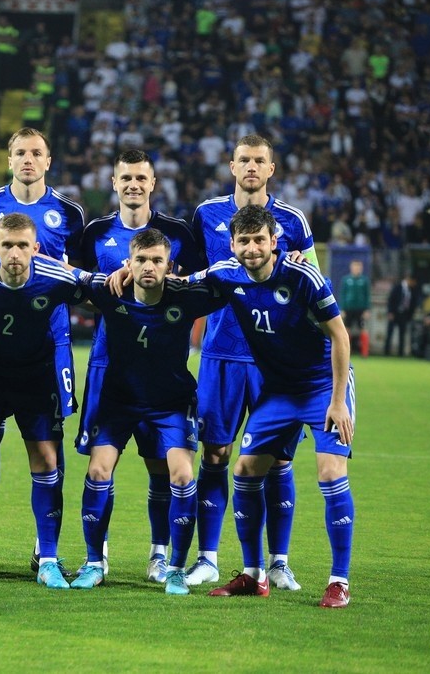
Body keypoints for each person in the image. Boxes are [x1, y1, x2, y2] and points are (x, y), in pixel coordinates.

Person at [194, 204, 355, 609]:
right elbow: (178, 283)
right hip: (280, 390)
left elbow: (340, 336)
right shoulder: (225, 274)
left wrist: (338, 402)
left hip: (321, 387)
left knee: (330, 470)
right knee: (245, 469)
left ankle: (339, 581)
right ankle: (253, 575)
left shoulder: (303, 276)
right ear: (231, 244)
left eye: (259, 240)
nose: (251, 248)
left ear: (274, 241)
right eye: (243, 241)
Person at [187, 134, 317, 591]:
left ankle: (279, 561)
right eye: (243, 160)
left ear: (271, 168)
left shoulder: (293, 220)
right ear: (231, 165)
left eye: (260, 160)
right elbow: (191, 277)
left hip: (275, 361)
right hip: (221, 353)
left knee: (278, 461)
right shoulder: (206, 214)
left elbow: (316, 284)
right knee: (216, 454)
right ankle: (207, 557)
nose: (251, 167)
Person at [71, 229, 224, 594]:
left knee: (184, 477)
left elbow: (233, 279)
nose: (148, 266)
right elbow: (63, 274)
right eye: (141, 259)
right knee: (97, 470)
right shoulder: (110, 291)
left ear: (169, 266)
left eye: (157, 260)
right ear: (129, 263)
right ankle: (94, 562)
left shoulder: (187, 296)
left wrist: (194, 277)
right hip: (119, 402)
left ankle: (174, 569)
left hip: (171, 404)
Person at [0, 212, 87, 589]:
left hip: (36, 379)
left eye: (23, 245)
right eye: (7, 245)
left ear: (35, 249)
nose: (15, 253)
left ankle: (49, 560)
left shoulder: (54, 276)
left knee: (47, 461)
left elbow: (97, 289)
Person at [76, 149, 202, 581]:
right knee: (97, 466)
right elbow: (69, 279)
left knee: (160, 467)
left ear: (152, 183)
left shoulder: (178, 233)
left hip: (164, 375)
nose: (133, 184)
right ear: (114, 182)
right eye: (125, 177)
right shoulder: (94, 233)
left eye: (140, 178)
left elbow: (206, 281)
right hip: (109, 367)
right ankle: (97, 557)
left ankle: (161, 555)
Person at [0, 127, 84, 574]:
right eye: (20, 153)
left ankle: (44, 546)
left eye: (37, 152)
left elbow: (78, 272)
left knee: (48, 446)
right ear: (9, 159)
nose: (28, 160)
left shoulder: (68, 213)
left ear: (48, 161)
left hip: (51, 344)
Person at [339, 259, 371, 356]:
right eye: (355, 267)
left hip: (361, 309)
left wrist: (367, 309)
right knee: (346, 330)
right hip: (348, 308)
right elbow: (343, 294)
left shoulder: (364, 280)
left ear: (361, 268)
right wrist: (342, 308)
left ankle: (364, 353)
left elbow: (367, 295)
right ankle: (346, 351)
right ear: (351, 267)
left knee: (363, 329)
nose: (356, 269)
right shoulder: (346, 280)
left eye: (358, 267)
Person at [384, 273, 419, 357]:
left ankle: (401, 353)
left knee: (402, 334)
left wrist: (409, 315)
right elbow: (390, 300)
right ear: (409, 280)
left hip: (404, 315)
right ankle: (386, 351)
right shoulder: (397, 287)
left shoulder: (412, 290)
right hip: (394, 313)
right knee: (390, 333)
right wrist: (390, 312)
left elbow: (413, 303)